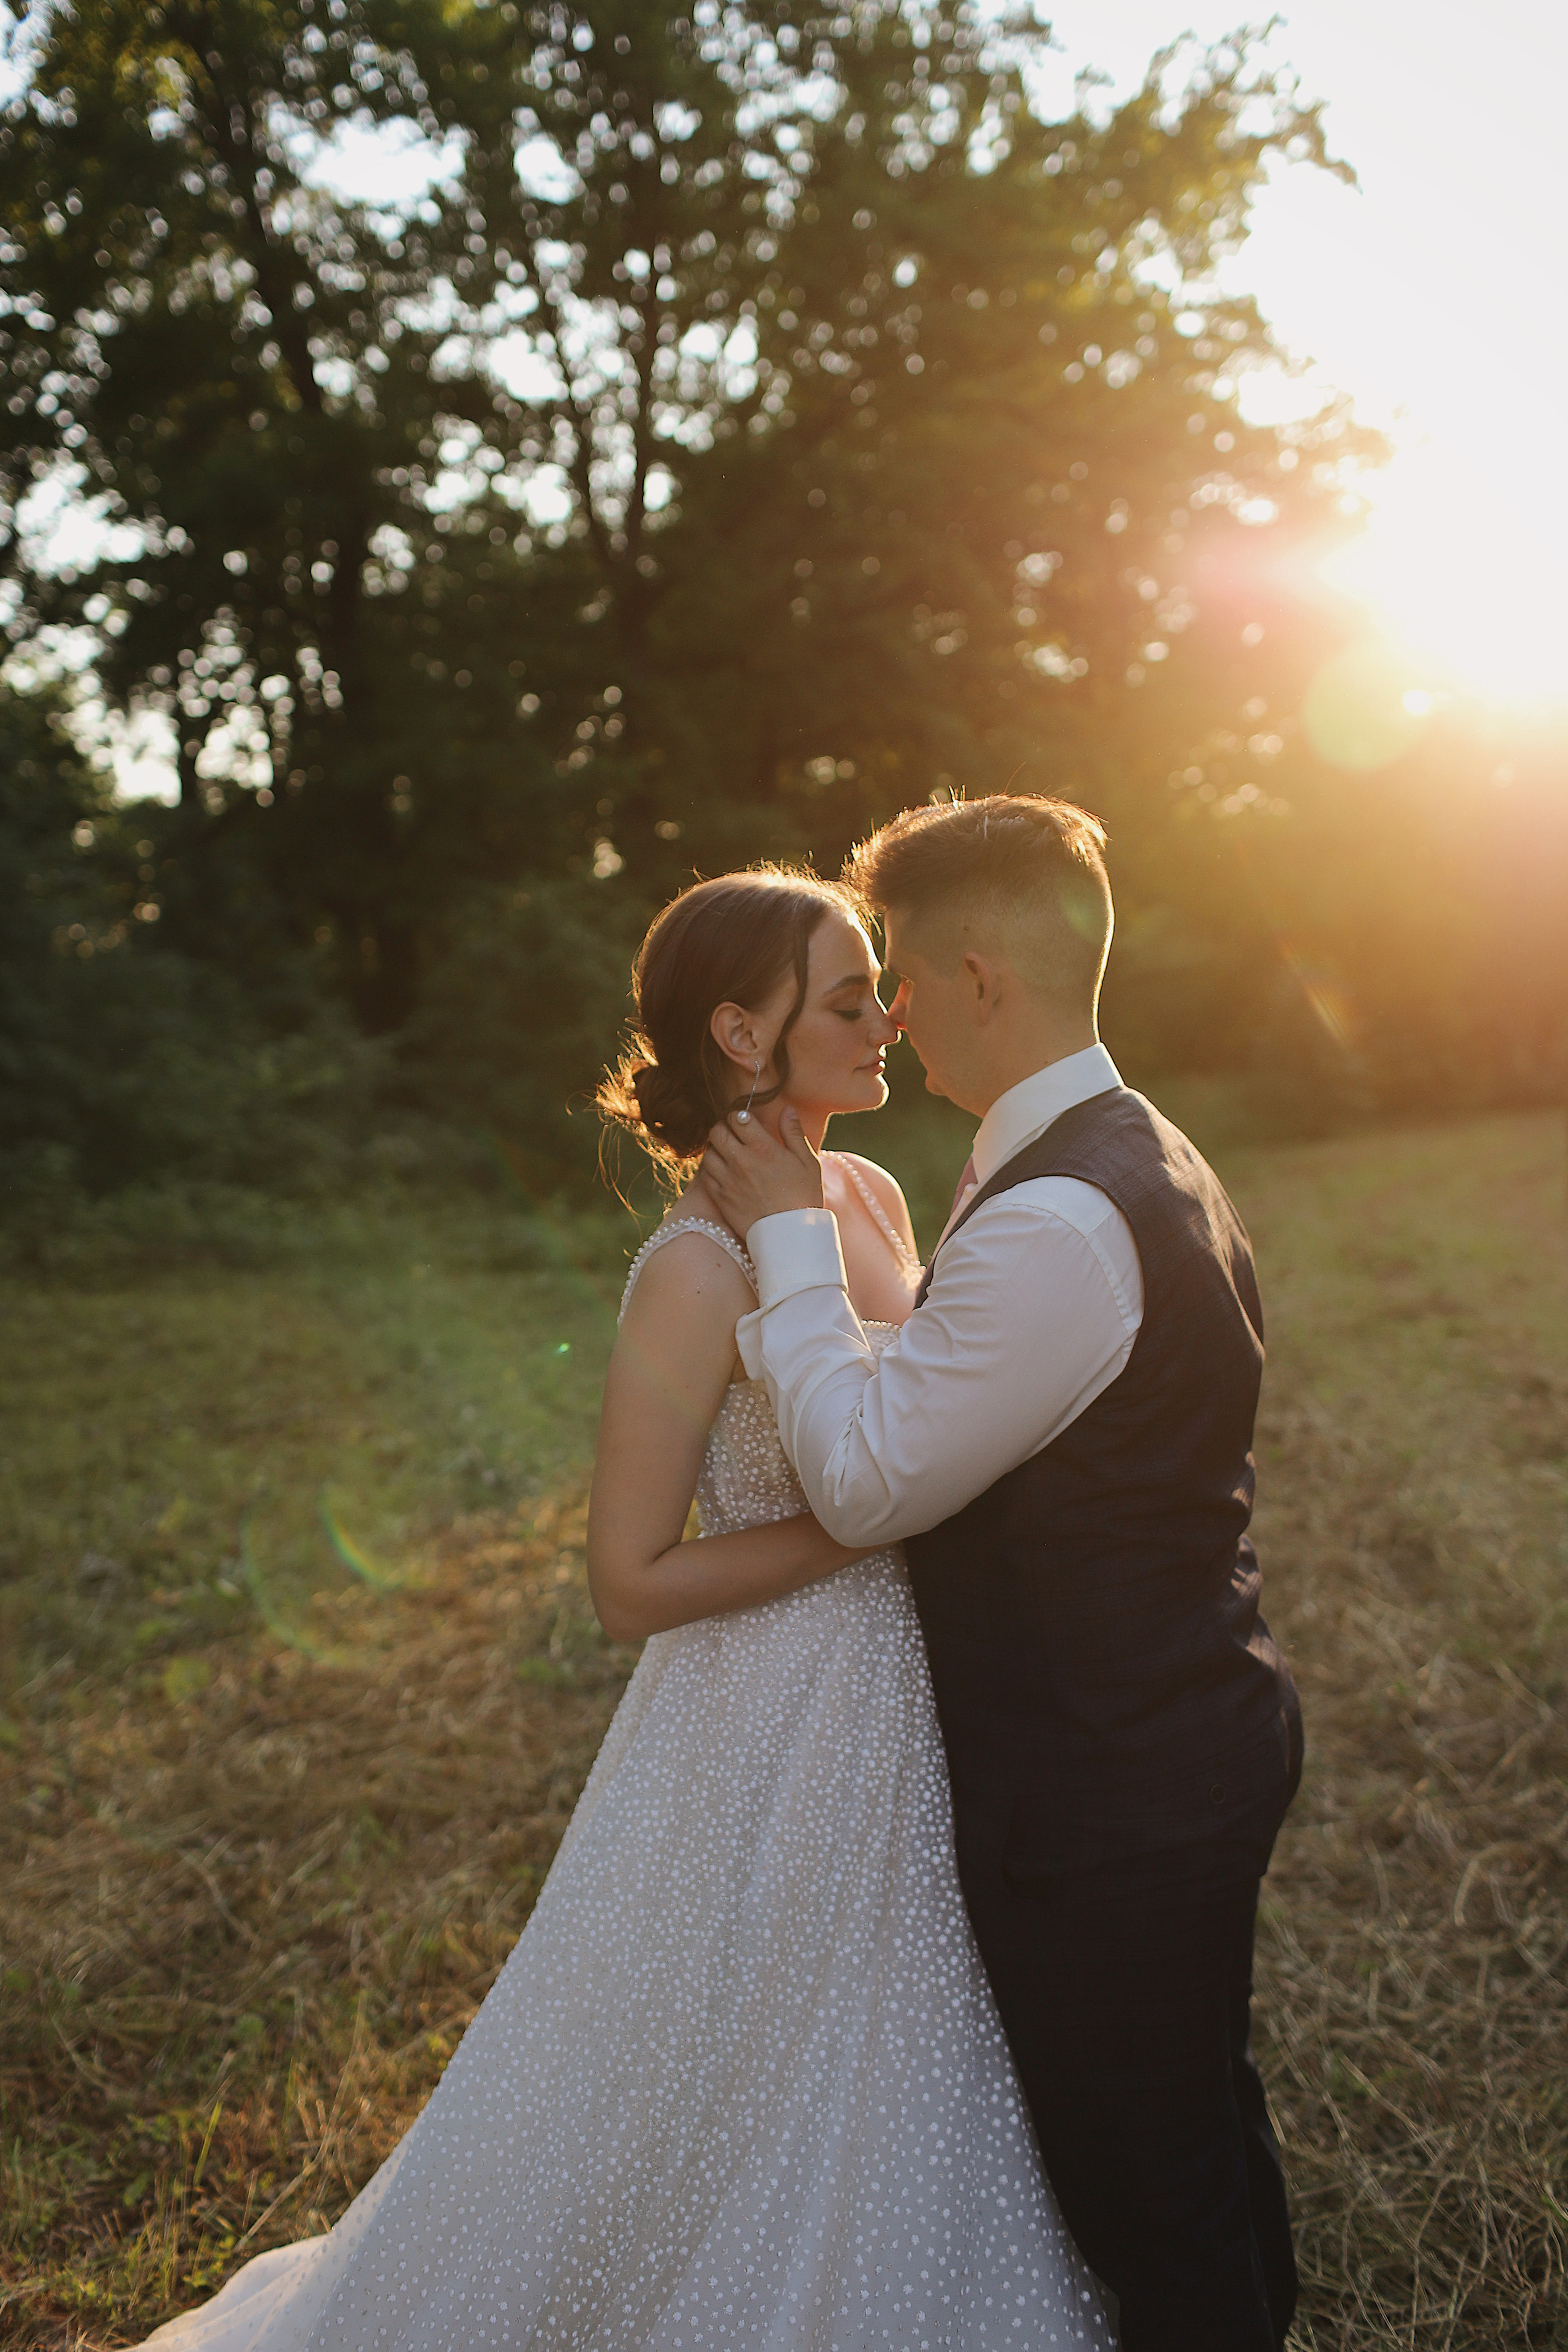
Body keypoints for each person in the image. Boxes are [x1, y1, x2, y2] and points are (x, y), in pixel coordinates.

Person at [137, 865, 1114, 2350]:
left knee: (902, 2030)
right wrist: (874, 1530)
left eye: (881, 987)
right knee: (747, 2042)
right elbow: (627, 1579)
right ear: (739, 1029)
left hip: (926, 1693)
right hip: (773, 1709)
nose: (887, 1015)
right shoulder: (687, 1271)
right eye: (849, 994)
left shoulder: (868, 1189)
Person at [703, 799, 1303, 2352]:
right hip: (1171, 1740)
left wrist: (784, 1244)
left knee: (1144, 2202)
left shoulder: (1054, 1213)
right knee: (1193, 2139)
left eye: (895, 972)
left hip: (1116, 1790)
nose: (888, 1011)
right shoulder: (1114, 1150)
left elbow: (865, 1477)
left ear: (974, 976)